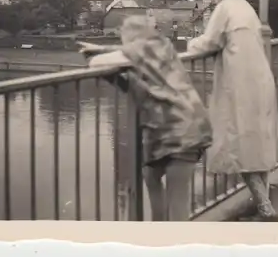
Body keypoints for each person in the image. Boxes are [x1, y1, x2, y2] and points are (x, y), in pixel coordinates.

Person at [80, 15, 213, 221]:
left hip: (179, 131)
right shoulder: (163, 45)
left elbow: (97, 64)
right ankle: (159, 230)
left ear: (131, 36)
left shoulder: (140, 50)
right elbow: (129, 55)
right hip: (183, 126)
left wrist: (96, 55)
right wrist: (101, 48)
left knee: (177, 196)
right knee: (151, 175)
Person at [186, 0, 278, 222]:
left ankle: (266, 208)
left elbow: (210, 42)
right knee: (256, 145)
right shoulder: (247, 8)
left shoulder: (225, 8)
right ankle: (263, 202)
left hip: (239, 86)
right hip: (259, 81)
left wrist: (190, 44)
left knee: (240, 146)